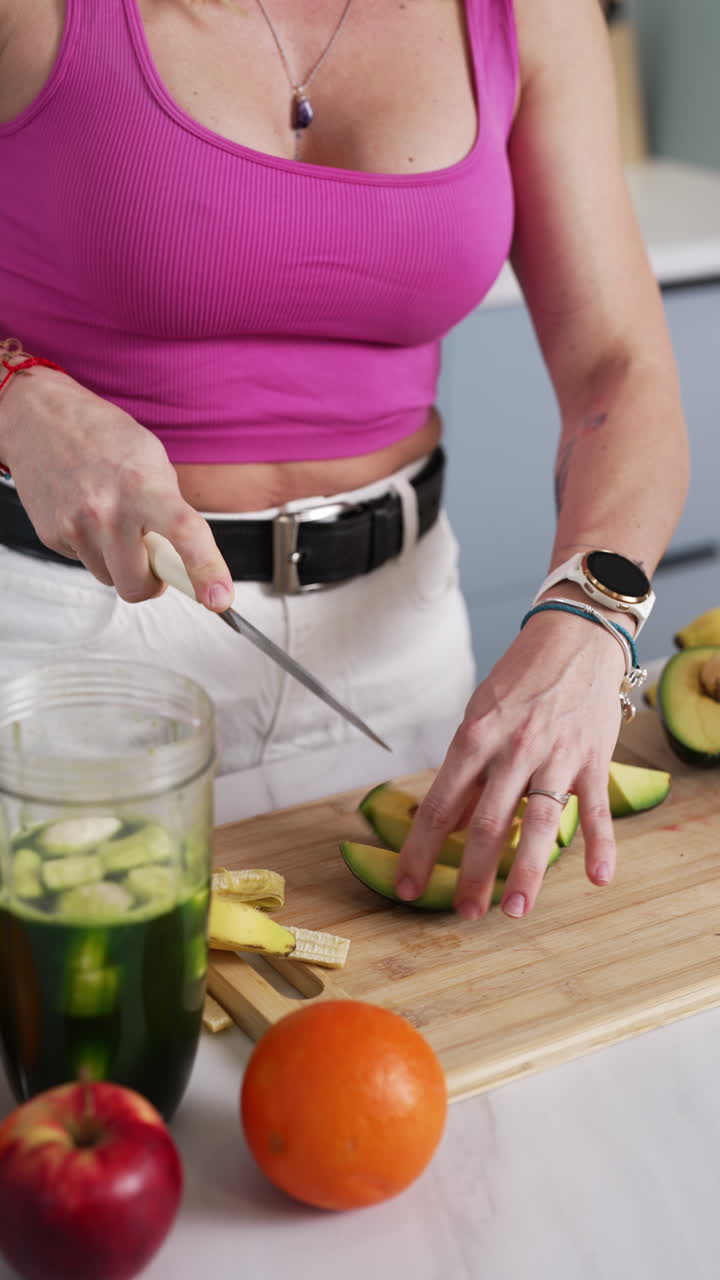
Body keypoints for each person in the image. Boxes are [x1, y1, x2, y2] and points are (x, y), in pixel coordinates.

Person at [0, 0, 689, 921]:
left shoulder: (530, 14)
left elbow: (621, 371)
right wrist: (17, 393)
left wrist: (590, 617)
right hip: (74, 641)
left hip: (399, 641)